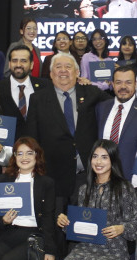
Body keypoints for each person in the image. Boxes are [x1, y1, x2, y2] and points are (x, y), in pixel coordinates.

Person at [25, 52, 111, 204]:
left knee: (84, 224)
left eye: (68, 66)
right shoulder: (37, 99)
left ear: (77, 72)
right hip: (53, 176)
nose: (63, 70)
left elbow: (117, 106)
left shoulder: (91, 93)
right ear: (51, 74)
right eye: (58, 67)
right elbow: (32, 138)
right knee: (55, 223)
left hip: (88, 175)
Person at [96, 65, 137, 181]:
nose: (123, 87)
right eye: (119, 82)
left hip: (130, 179)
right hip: (101, 177)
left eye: (128, 82)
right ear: (112, 84)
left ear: (135, 84)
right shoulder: (101, 108)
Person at [0, 45, 52, 140]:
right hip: (9, 149)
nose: (18, 64)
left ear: (31, 64)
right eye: (15, 60)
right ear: (9, 64)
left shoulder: (46, 86)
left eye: (23, 61)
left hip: (40, 147)